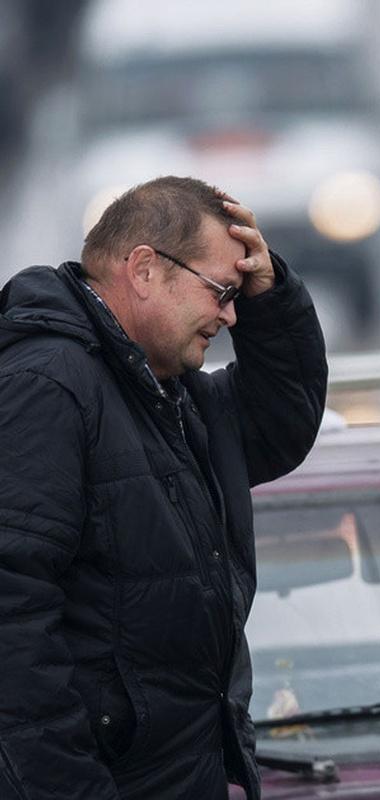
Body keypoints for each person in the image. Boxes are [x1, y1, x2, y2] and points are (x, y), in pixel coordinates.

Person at [0, 177, 327, 799]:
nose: (231, 315)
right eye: (222, 292)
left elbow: (276, 426)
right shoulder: (47, 386)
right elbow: (11, 630)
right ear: (145, 269)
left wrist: (271, 297)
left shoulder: (165, 393)